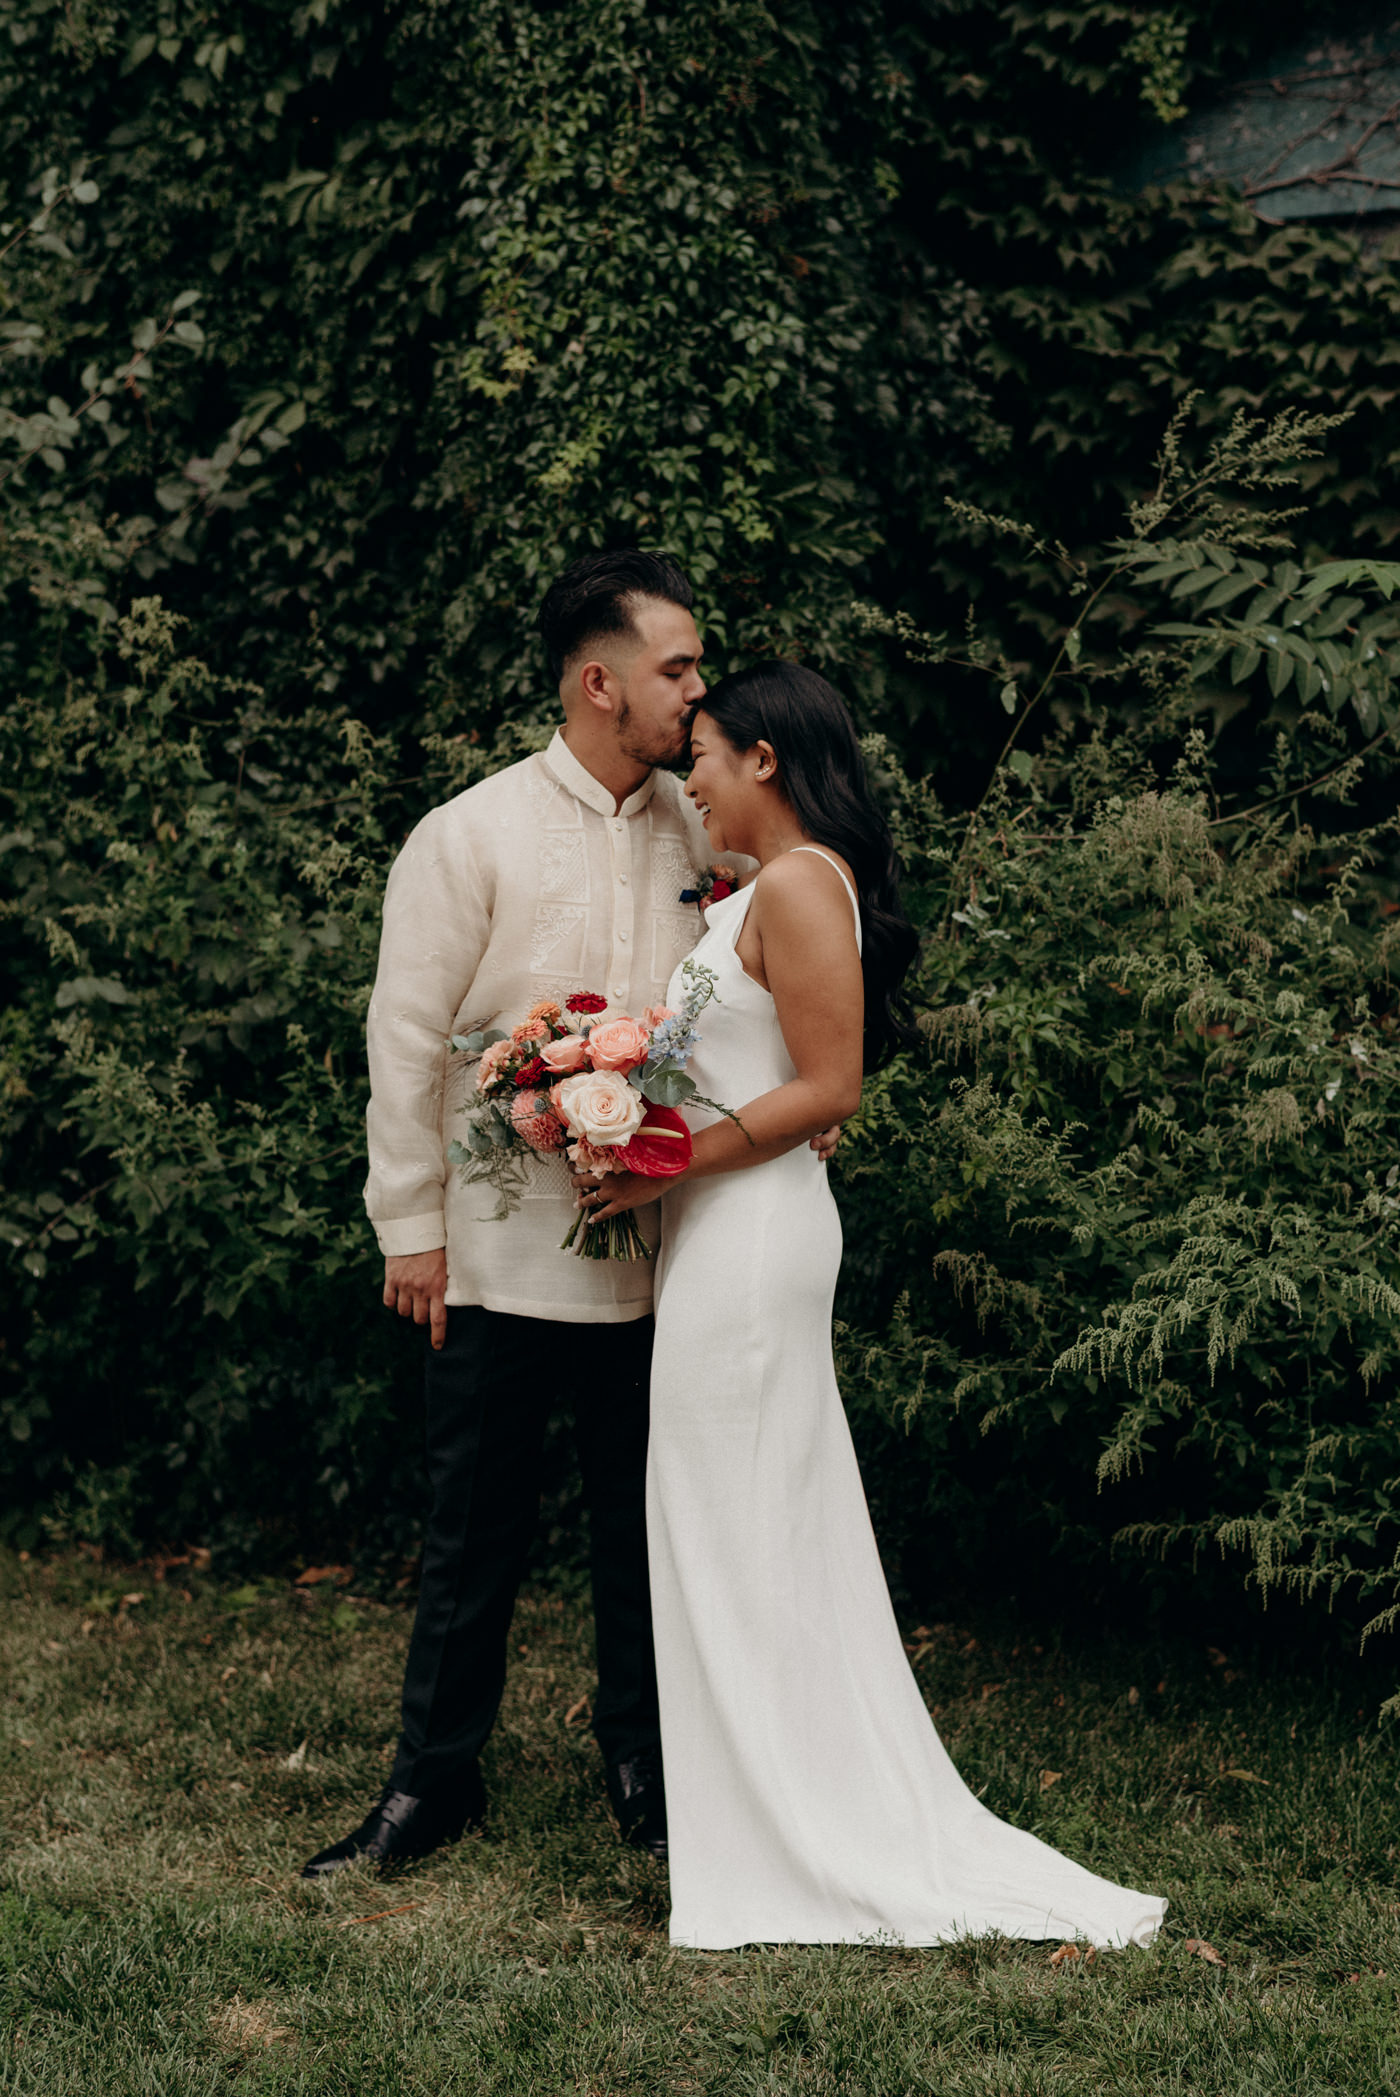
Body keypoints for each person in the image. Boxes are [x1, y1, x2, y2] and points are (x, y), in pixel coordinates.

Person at [574, 662, 1167, 1949]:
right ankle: (762, 1814)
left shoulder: (794, 882)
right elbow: (775, 1072)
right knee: (737, 1521)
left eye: (709, 757)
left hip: (748, 1240)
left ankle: (787, 1836)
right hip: (728, 1230)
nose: (694, 780)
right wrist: (610, 1105)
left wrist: (666, 1158)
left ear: (767, 762)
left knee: (733, 1517)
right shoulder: (774, 886)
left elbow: (830, 1087)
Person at [300, 552, 836, 1881]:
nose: (696, 694)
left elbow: (755, 985)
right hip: (490, 1253)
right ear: (600, 682)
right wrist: (408, 1227)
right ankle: (432, 1783)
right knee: (470, 1527)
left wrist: (804, 1086)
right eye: (676, 669)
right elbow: (406, 1039)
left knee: (646, 1521)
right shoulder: (467, 832)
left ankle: (647, 1763)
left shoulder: (704, 830)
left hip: (668, 1255)